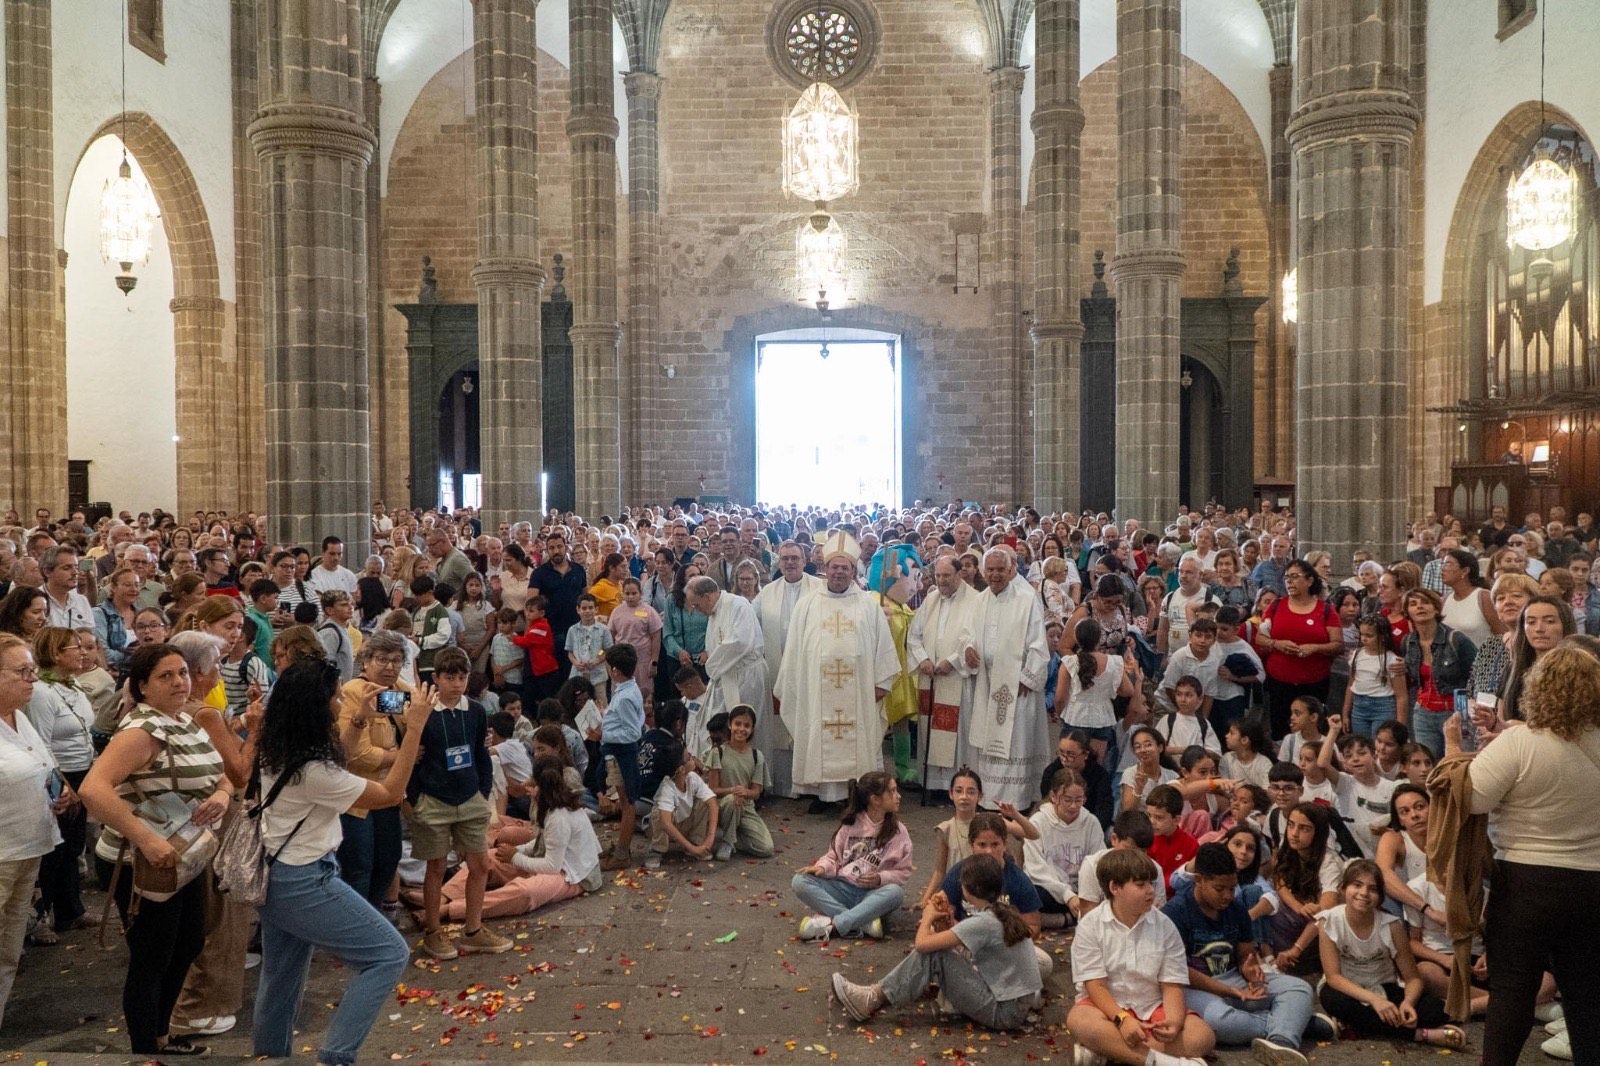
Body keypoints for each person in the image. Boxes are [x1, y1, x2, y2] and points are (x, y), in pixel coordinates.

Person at [250, 657, 431, 1066]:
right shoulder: (311, 769)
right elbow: (389, 794)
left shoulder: (280, 749)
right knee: (388, 954)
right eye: (335, 697)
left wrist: (360, 719)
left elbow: (338, 763)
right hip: (304, 880)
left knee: (280, 978)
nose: (340, 703)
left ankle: (269, 1056)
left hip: (277, 872)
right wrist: (415, 728)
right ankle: (336, 1056)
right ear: (315, 708)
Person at [1446, 640, 1600, 1064]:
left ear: (1538, 687)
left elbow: (1470, 798)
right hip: (1592, 882)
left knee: (1513, 992)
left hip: (1525, 883)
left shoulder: (1519, 743)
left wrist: (1453, 751)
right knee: (1588, 997)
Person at [80, 643, 230, 1056]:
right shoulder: (141, 731)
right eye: (166, 676)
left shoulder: (184, 719)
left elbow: (221, 775)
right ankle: (146, 1048)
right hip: (142, 862)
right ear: (142, 685)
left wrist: (221, 795)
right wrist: (146, 839)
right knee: (152, 956)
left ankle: (161, 1035)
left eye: (183, 673)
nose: (180, 682)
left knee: (188, 943)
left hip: (185, 855)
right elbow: (93, 789)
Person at [829, 854, 1042, 1030]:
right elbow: (964, 945)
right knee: (943, 951)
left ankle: (873, 997)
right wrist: (948, 925)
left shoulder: (984, 922)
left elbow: (922, 944)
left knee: (935, 954)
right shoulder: (1000, 911)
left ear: (969, 889)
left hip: (1005, 1013)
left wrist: (928, 917)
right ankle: (881, 992)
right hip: (1014, 1003)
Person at [1162, 843, 1324, 1065]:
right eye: (1220, 889)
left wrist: (1251, 971)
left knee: (1299, 988)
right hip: (1194, 986)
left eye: (1232, 888)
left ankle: (1282, 1042)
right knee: (1218, 1021)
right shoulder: (1175, 912)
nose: (1228, 896)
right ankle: (1293, 1023)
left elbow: (1245, 953)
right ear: (1199, 880)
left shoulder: (1236, 908)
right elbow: (1180, 972)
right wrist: (1230, 991)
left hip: (1233, 978)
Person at [774, 532, 899, 812]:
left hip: (859, 691)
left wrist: (882, 683)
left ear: (853, 571)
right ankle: (823, 795)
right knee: (818, 732)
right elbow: (794, 651)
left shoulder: (868, 605)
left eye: (845, 567)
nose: (839, 572)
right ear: (825, 568)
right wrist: (794, 685)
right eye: (834, 567)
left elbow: (883, 648)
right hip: (816, 691)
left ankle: (853, 795)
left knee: (855, 740)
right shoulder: (807, 604)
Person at [1065, 848, 1216, 1066]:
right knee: (1079, 1020)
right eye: (1140, 884)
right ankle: (1166, 1062)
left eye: (1151, 884)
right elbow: (1096, 986)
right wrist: (1122, 1019)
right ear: (1115, 888)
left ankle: (1109, 1051)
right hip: (1106, 1009)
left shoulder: (1165, 926)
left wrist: (1173, 1022)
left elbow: (1172, 985)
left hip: (1152, 1007)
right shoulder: (1090, 925)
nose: (1150, 891)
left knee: (1202, 1036)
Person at [406, 646, 510, 960]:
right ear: (436, 678)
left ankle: (473, 930)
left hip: (470, 796)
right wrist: (415, 799)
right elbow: (413, 757)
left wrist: (482, 790)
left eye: (462, 677)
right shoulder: (424, 711)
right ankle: (433, 932)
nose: (456, 684)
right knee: (436, 866)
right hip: (433, 799)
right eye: (450, 677)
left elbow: (480, 753)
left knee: (480, 864)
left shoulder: (475, 711)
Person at [1315, 860, 1465, 1049]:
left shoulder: (1392, 926)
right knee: (1332, 1000)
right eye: (1357, 885)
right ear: (1343, 889)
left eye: (1372, 889)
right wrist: (1373, 1000)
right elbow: (1334, 977)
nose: (1364, 893)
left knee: (1433, 1010)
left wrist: (1408, 1003)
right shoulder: (1329, 921)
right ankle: (1421, 1035)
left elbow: (1413, 978)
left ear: (1380, 897)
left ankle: (1356, 1025)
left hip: (1383, 986)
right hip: (1347, 989)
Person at [0, 632, 70, 1032]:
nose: (33, 679)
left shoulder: (18, 716)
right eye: (22, 672)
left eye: (33, 670)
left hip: (28, 847)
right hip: (2, 851)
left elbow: (41, 765)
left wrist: (60, 790)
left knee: (9, 950)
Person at [958, 546, 1051, 807]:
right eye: (990, 570)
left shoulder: (1026, 599)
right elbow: (966, 634)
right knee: (988, 741)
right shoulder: (979, 601)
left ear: (1011, 571)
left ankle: (1017, 799)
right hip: (987, 683)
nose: (995, 574)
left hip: (1016, 686)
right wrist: (968, 649)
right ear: (983, 572)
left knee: (1015, 742)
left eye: (1001, 569)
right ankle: (988, 797)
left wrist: (1027, 677)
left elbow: (1038, 643)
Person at [460, 755, 603, 920]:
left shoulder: (559, 815)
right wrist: (516, 851)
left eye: (532, 785)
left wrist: (515, 857)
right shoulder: (550, 805)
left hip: (574, 877)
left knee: (525, 891)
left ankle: (454, 908)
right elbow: (542, 841)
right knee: (488, 858)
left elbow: (552, 866)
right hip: (548, 861)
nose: (528, 788)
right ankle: (444, 895)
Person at [23, 628, 96, 937]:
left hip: (82, 770)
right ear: (55, 654)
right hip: (59, 774)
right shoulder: (42, 693)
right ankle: (40, 917)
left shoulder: (73, 685)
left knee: (73, 846)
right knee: (54, 850)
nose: (83, 652)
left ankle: (70, 910)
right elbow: (41, 743)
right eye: (75, 647)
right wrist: (63, 784)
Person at [335, 630, 410, 914]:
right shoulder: (355, 691)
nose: (390, 666)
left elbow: (417, 719)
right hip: (357, 798)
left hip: (388, 793)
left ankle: (374, 916)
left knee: (388, 859)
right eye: (382, 659)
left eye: (396, 660)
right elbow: (359, 754)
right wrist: (403, 755)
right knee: (359, 866)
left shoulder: (398, 690)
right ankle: (355, 923)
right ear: (366, 661)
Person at [793, 771, 912, 940]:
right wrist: (822, 867)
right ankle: (862, 922)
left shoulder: (898, 831)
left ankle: (837, 923)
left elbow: (903, 872)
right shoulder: (851, 824)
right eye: (892, 791)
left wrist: (880, 878)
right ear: (875, 799)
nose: (898, 796)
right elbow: (833, 856)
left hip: (873, 895)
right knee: (799, 881)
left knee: (896, 893)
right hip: (843, 888)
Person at [907, 554, 981, 794]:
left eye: (947, 575)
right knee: (930, 728)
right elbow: (914, 636)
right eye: (938, 575)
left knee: (956, 734)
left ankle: (957, 785)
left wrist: (952, 661)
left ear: (959, 574)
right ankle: (932, 783)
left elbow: (975, 640)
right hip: (930, 676)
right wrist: (922, 659)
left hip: (956, 678)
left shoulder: (976, 601)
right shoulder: (930, 600)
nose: (941, 580)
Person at [754, 541, 822, 798]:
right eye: (785, 559)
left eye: (795, 558)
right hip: (778, 667)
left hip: (809, 669)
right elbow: (751, 620)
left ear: (804, 561)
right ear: (778, 562)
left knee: (809, 723)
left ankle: (810, 785)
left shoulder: (820, 588)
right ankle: (785, 785)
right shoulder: (767, 592)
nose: (790, 563)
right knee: (780, 725)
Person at [1258, 560, 1342, 738]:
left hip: (1314, 683)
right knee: (1281, 730)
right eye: (1287, 577)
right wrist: (1276, 644)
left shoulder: (1326, 610)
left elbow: (1338, 645)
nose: (1289, 581)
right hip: (1279, 683)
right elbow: (1260, 638)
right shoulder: (1276, 606)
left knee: (1312, 730)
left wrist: (1315, 648)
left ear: (1309, 580)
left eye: (1295, 577)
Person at [702, 704, 774, 860]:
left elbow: (756, 792)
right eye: (737, 724)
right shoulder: (718, 752)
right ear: (730, 725)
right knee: (733, 799)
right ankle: (727, 842)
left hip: (746, 808)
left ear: (752, 729)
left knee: (766, 848)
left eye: (746, 726)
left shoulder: (757, 756)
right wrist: (733, 791)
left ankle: (734, 837)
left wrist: (745, 792)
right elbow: (712, 789)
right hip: (723, 806)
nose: (741, 729)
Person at [646, 740, 720, 868]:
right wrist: (692, 849)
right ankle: (657, 849)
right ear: (681, 769)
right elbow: (666, 823)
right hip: (666, 829)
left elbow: (713, 803)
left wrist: (710, 837)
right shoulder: (666, 787)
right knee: (658, 813)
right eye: (688, 758)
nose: (692, 758)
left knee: (705, 802)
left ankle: (696, 841)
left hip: (683, 823)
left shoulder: (692, 778)